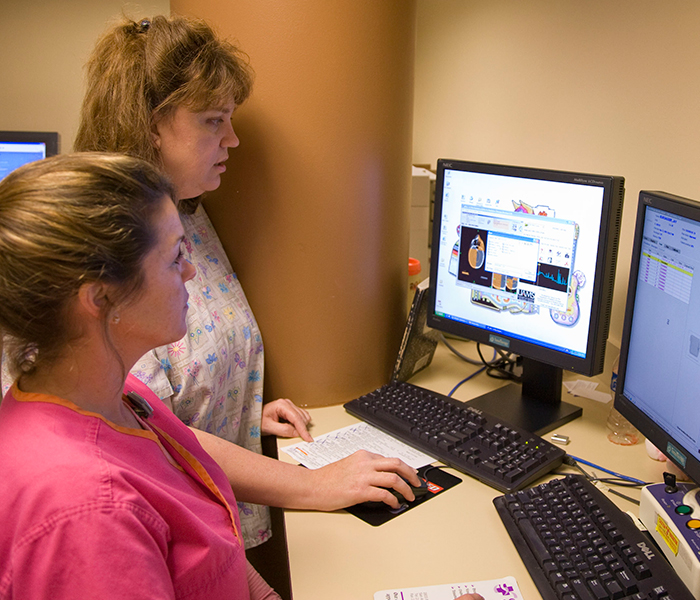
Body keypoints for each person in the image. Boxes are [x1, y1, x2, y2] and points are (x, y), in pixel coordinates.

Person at [73, 13, 422, 556]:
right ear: (149, 123)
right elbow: (146, 434)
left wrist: (232, 405)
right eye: (214, 120)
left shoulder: (183, 210)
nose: (233, 139)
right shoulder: (105, 242)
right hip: (161, 544)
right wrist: (318, 485)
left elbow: (169, 390)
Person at [0, 152, 281, 599]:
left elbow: (211, 551)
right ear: (101, 297)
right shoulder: (86, 511)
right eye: (173, 259)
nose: (189, 272)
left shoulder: (117, 394)